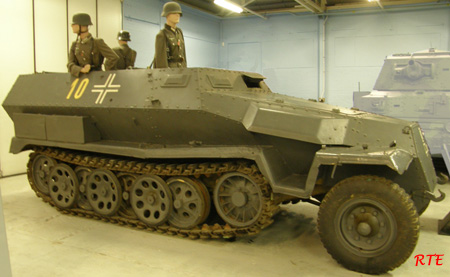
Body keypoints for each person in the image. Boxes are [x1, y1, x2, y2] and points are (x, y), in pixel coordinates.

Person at [67, 13, 119, 77]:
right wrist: (81, 69)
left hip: (97, 78)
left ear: (82, 26)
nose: (72, 26)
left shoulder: (97, 42)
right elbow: (70, 64)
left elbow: (113, 57)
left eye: (74, 24)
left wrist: (106, 73)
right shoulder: (75, 44)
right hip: (80, 79)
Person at [153, 2, 187, 68]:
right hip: (171, 72)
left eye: (179, 13)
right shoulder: (162, 34)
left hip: (182, 71)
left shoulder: (179, 32)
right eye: (174, 13)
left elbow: (183, 55)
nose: (177, 15)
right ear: (167, 15)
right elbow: (161, 62)